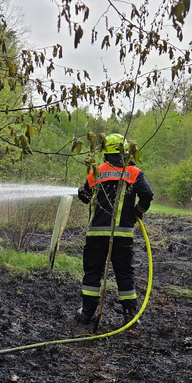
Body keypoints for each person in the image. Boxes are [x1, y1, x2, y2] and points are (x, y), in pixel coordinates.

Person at [76, 133, 154, 326]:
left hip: (96, 235)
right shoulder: (134, 173)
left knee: (92, 273)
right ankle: (129, 315)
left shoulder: (97, 171)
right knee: (124, 273)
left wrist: (80, 192)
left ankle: (87, 314)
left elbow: (85, 196)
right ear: (125, 151)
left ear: (105, 152)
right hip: (122, 235)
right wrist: (137, 212)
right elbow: (148, 195)